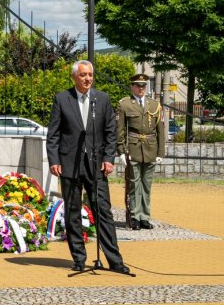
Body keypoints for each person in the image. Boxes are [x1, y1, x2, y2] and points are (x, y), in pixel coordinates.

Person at [46, 60, 130, 274]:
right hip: (69, 164)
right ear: (75, 77)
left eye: (90, 74)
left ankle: (114, 260)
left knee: (103, 210)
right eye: (83, 75)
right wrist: (54, 160)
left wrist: (109, 158)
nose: (88, 79)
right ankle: (79, 258)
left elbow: (111, 132)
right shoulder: (62, 99)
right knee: (73, 211)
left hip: (96, 164)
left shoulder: (102, 99)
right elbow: (53, 134)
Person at [116, 73, 166, 230]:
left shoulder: (154, 105)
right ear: (132, 87)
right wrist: (121, 151)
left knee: (146, 185)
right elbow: (120, 130)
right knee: (134, 185)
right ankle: (135, 217)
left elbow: (160, 130)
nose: (141, 88)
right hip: (133, 148)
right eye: (138, 86)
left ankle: (145, 217)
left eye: (143, 86)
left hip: (151, 149)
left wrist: (160, 153)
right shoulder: (125, 105)